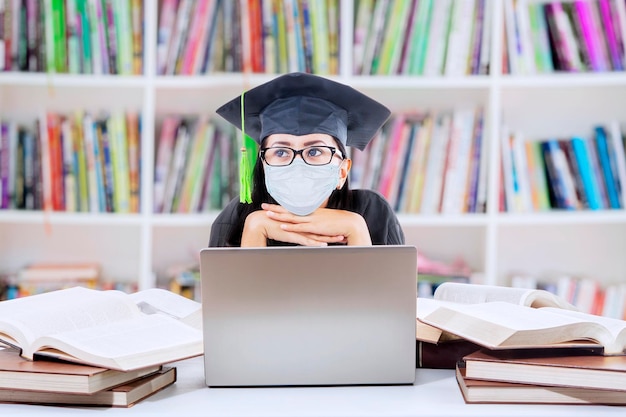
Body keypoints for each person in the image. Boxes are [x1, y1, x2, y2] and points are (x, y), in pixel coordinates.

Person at [208, 72, 404, 247]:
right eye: (281, 152)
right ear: (264, 166)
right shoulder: (237, 216)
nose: (297, 165)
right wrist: (255, 228)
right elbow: (232, 289)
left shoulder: (373, 212)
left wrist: (356, 228)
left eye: (315, 151)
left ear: (342, 171)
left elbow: (388, 289)